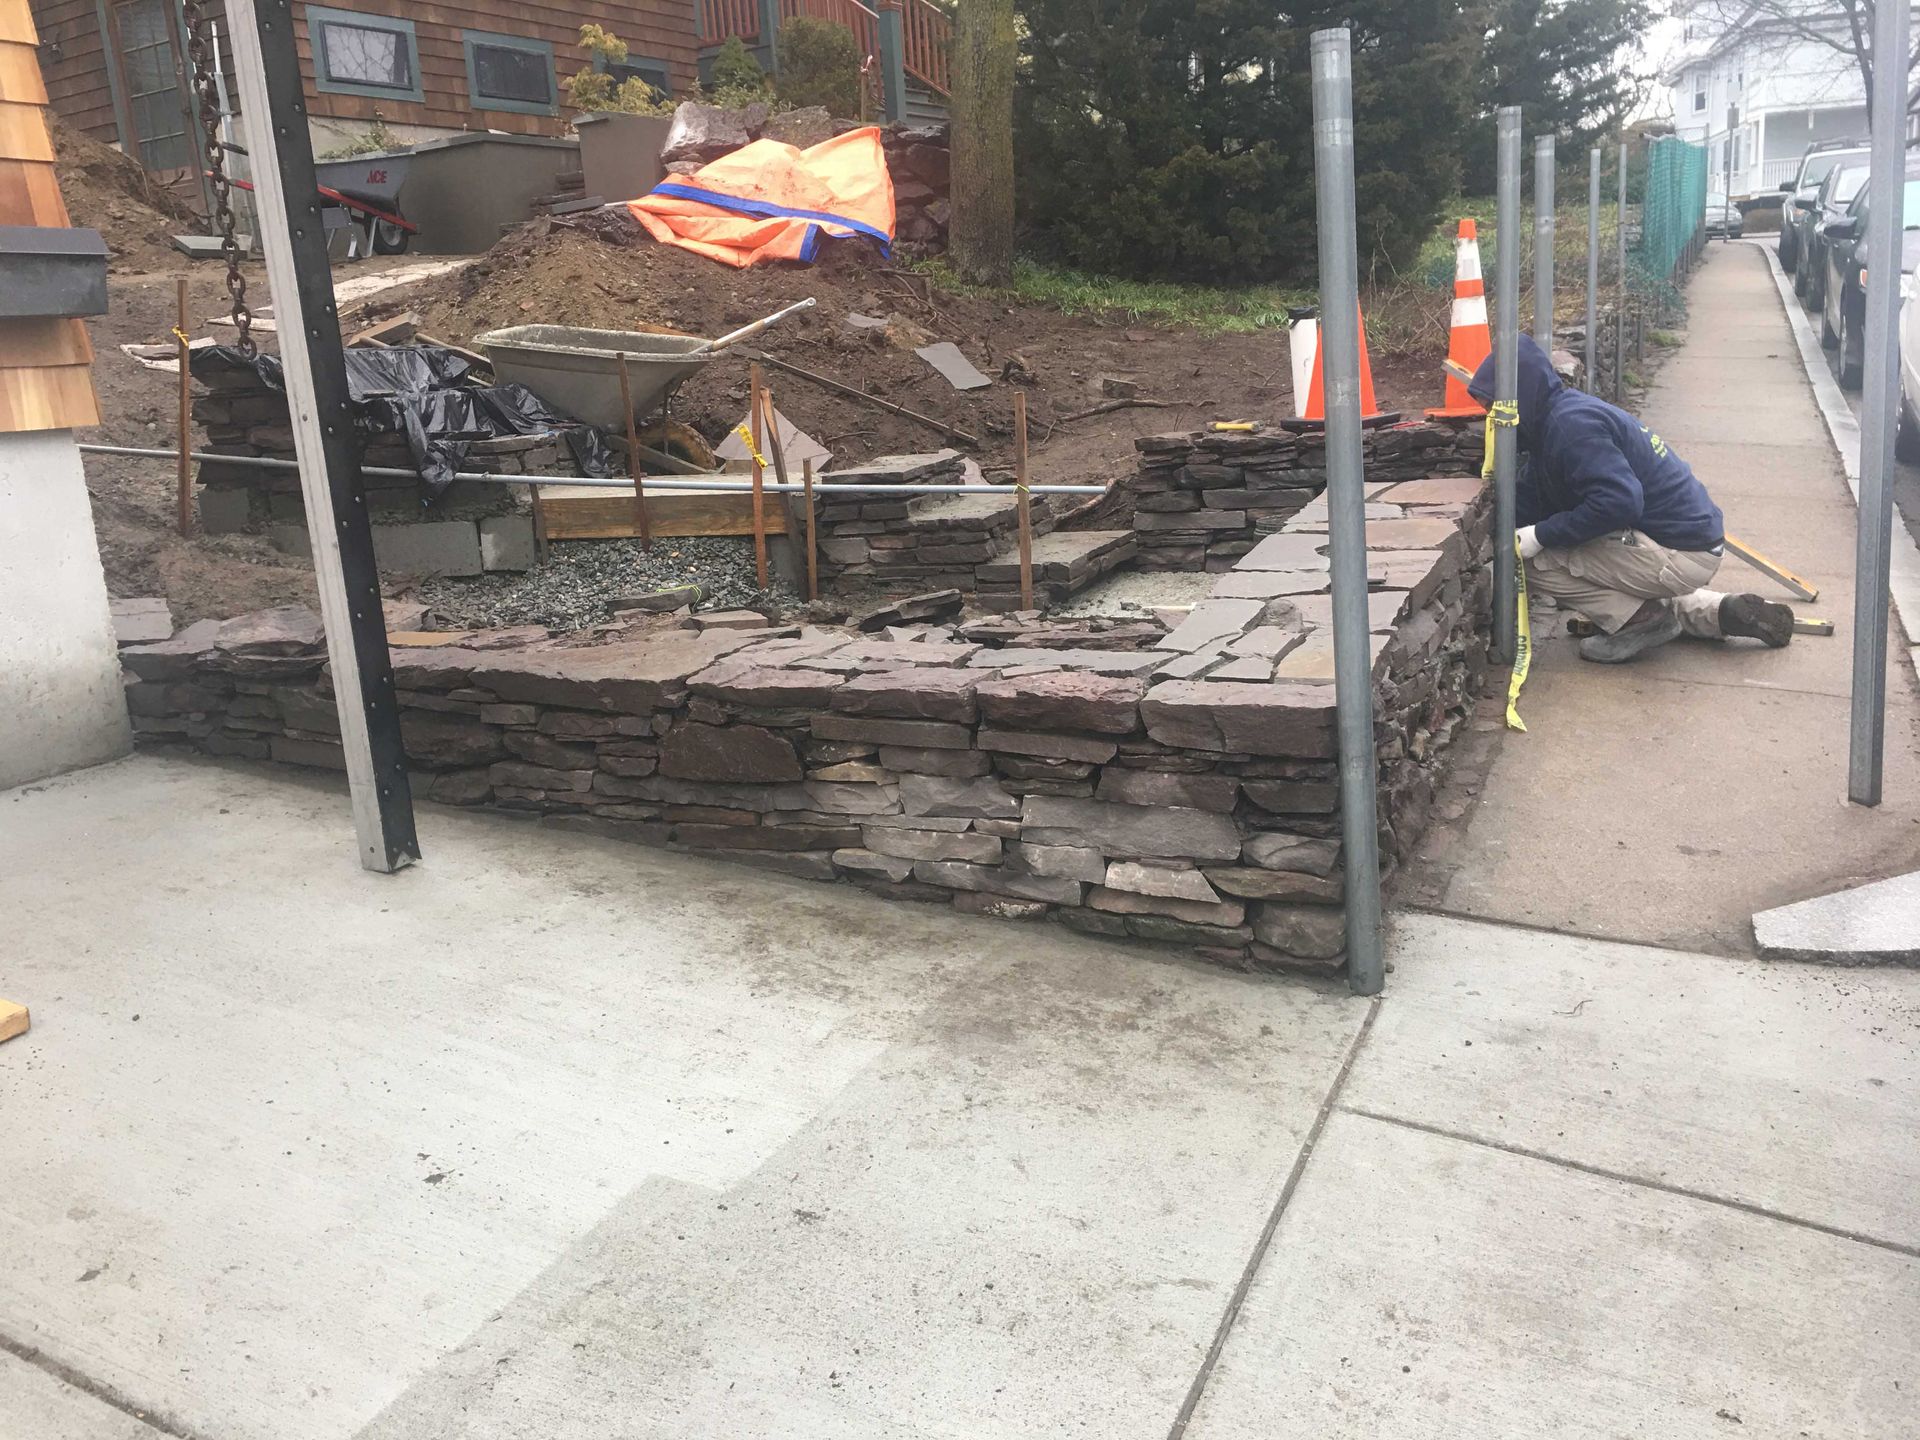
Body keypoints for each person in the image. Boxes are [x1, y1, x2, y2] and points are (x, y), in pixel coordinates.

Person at [1467, 335, 1794, 663]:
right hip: (1690, 541)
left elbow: (1618, 503)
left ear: (1517, 396)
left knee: (1530, 561)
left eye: (1492, 405)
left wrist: (1539, 535)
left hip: (1680, 553)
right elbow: (1540, 494)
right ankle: (1718, 613)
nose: (1490, 418)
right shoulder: (1562, 417)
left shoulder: (1570, 431)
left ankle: (1642, 621)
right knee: (1610, 583)